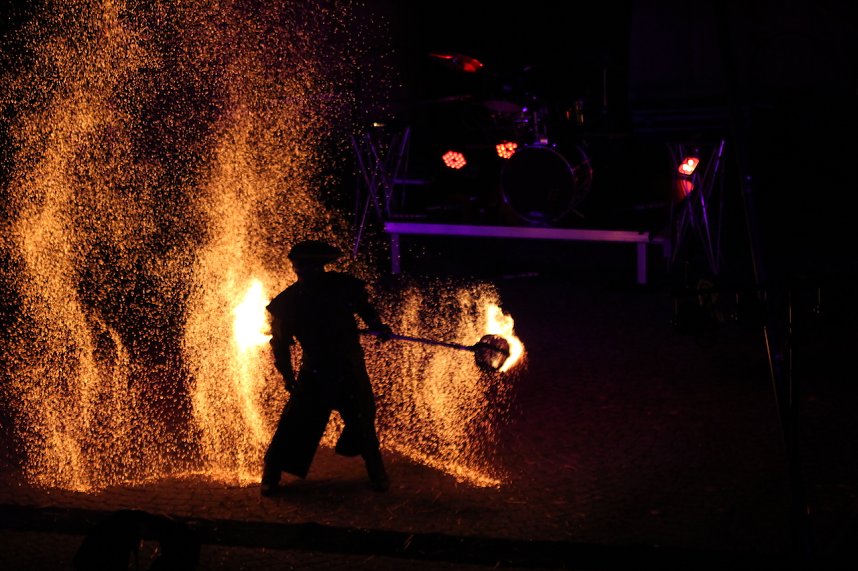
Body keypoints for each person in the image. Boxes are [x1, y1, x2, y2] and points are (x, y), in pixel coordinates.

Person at [261, 240, 393, 496]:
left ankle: (377, 473)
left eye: (309, 266)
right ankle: (271, 475)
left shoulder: (342, 286)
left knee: (362, 421)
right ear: (295, 268)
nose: (303, 271)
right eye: (300, 266)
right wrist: (288, 377)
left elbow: (364, 308)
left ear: (320, 267)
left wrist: (377, 325)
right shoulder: (288, 302)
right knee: (293, 424)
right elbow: (279, 344)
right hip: (315, 372)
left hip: (349, 367)